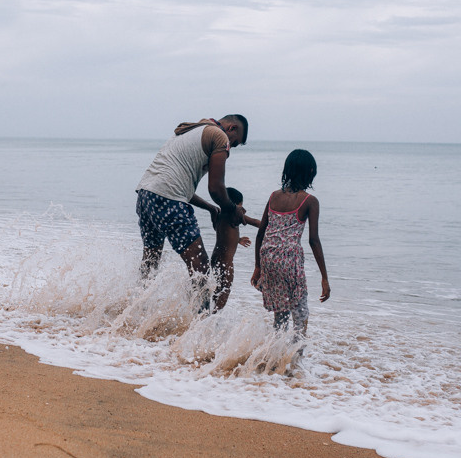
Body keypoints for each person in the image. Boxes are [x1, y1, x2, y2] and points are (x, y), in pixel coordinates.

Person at [135, 115, 248, 303]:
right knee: (201, 267)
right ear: (232, 128)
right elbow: (216, 188)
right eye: (234, 144)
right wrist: (232, 209)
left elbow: (179, 187)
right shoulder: (219, 136)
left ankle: (135, 311)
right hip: (168, 198)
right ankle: (200, 326)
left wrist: (211, 209)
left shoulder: (192, 130)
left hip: (146, 195)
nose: (231, 148)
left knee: (150, 262)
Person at [251, 149, 330, 338]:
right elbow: (314, 241)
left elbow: (261, 233)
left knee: (281, 313)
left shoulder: (273, 196)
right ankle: (294, 362)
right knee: (300, 314)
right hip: (289, 260)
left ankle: (276, 356)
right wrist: (324, 278)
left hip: (268, 257)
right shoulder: (310, 201)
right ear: (311, 171)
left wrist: (257, 266)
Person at [210, 187, 262, 310]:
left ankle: (209, 311)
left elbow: (222, 232)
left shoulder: (218, 213)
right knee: (226, 288)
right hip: (226, 262)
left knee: (218, 288)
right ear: (236, 205)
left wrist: (237, 240)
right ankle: (214, 316)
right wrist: (273, 227)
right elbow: (255, 222)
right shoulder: (234, 214)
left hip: (215, 258)